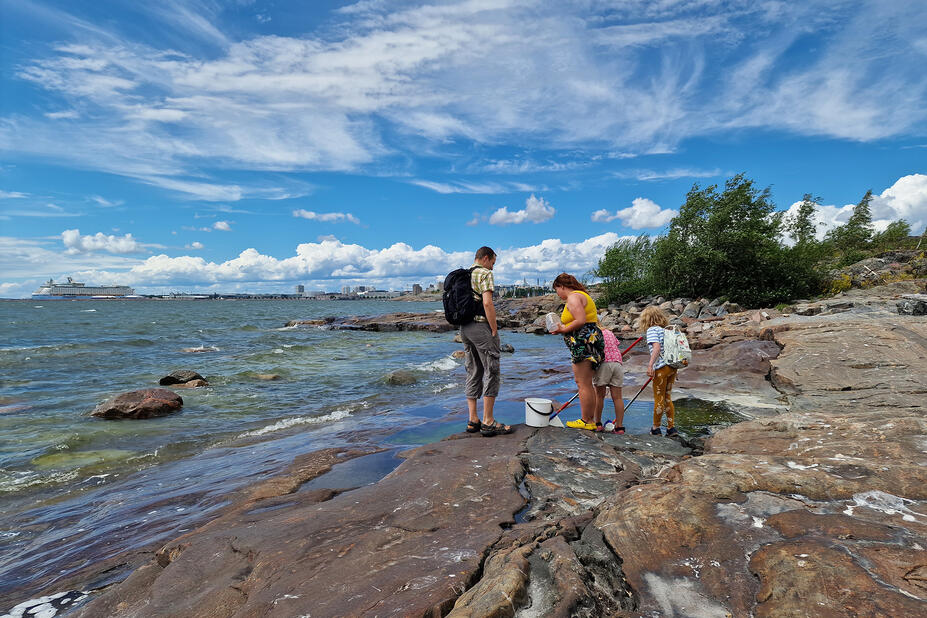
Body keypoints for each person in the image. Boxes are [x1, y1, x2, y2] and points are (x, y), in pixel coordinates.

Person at [461, 246, 513, 437]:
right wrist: (493, 328)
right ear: (485, 258)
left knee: (473, 370)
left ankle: (473, 419)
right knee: (492, 370)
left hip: (464, 328)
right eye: (492, 262)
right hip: (480, 326)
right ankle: (488, 421)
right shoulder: (484, 274)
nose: (493, 267)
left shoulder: (464, 274)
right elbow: (487, 303)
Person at [550, 273, 604, 430]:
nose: (557, 294)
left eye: (556, 290)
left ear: (561, 286)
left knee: (583, 383)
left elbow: (580, 320)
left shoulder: (573, 297)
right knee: (587, 383)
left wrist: (562, 329)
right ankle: (590, 419)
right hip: (591, 341)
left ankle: (586, 420)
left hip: (583, 343)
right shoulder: (582, 295)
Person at [640, 306, 678, 436]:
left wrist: (650, 365)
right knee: (667, 396)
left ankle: (656, 428)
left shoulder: (652, 330)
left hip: (661, 368)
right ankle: (671, 427)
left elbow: (656, 347)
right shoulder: (666, 331)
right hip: (672, 367)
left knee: (659, 397)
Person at [595, 327, 625, 434]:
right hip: (617, 363)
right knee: (618, 398)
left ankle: (597, 423)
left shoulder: (593, 332)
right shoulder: (609, 332)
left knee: (599, 396)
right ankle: (620, 427)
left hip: (604, 363)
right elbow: (616, 344)